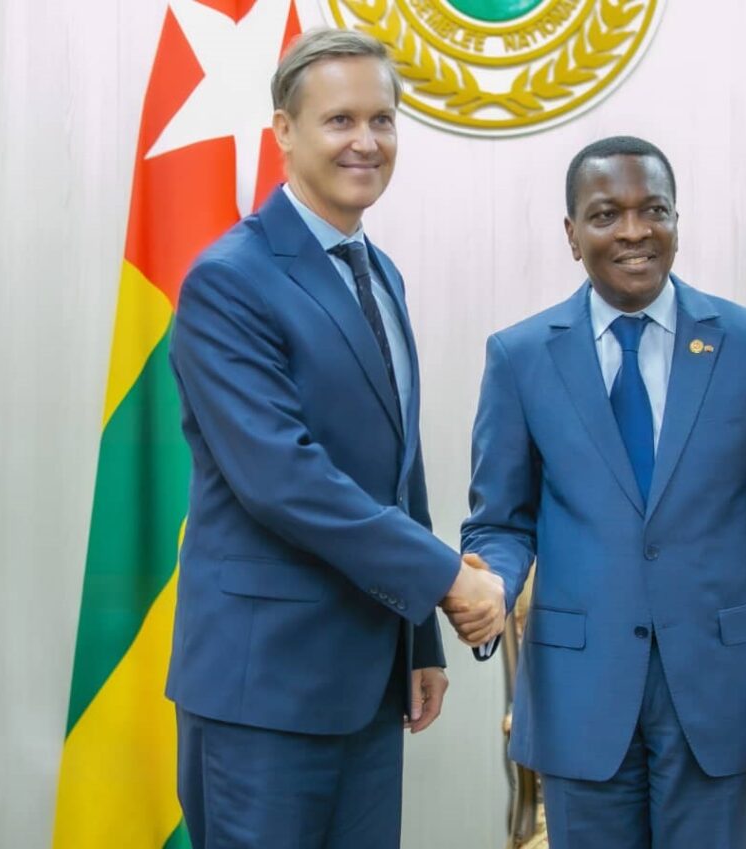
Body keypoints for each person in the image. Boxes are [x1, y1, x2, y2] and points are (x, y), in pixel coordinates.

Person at [166, 28, 504, 849]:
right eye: (340, 120)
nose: (367, 141)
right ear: (284, 131)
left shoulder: (378, 271)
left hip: (366, 677)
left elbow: (397, 469)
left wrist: (417, 636)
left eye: (382, 120)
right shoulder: (228, 280)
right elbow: (282, 477)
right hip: (264, 689)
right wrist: (444, 582)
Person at [461, 136, 746, 848]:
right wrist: (490, 586)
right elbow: (501, 523)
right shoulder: (518, 357)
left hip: (725, 693)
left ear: (676, 220)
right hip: (581, 692)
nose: (634, 231)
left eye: (653, 210)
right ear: (572, 235)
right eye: (606, 214)